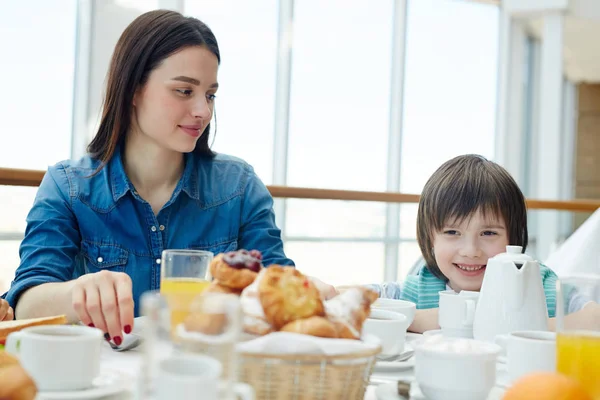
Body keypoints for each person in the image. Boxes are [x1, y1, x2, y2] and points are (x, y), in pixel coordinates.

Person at [1, 10, 295, 344]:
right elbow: (25, 304)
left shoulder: (239, 187)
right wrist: (78, 292)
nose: (204, 110)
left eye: (210, 94)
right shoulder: (67, 187)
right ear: (133, 90)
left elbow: (280, 290)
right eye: (184, 91)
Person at [367, 154, 599, 333]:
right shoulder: (416, 291)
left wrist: (506, 324)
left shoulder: (542, 289)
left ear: (513, 238)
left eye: (488, 233)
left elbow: (595, 319)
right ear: (430, 238)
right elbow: (348, 298)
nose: (471, 251)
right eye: (452, 232)